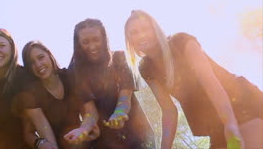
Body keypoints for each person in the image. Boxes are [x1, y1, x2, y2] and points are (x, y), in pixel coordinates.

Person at [125, 10, 263, 149]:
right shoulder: (146, 68)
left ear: (156, 30)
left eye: (145, 29)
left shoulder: (181, 42)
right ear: (129, 39)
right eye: (134, 32)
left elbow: (210, 82)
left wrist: (230, 125)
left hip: (240, 105)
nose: (141, 35)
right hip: (214, 123)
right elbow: (169, 111)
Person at [65, 18, 156, 149]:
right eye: (85, 42)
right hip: (106, 142)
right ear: (78, 44)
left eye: (96, 39)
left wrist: (119, 113)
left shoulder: (119, 57)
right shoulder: (74, 72)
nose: (92, 46)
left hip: (139, 134)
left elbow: (125, 97)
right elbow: (90, 112)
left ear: (104, 38)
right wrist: (83, 129)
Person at [17, 40, 89, 149]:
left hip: (82, 142)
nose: (38, 64)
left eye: (41, 57)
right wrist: (40, 143)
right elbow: (28, 133)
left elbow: (87, 112)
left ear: (49, 55)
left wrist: (85, 129)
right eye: (32, 62)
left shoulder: (69, 77)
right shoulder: (32, 94)